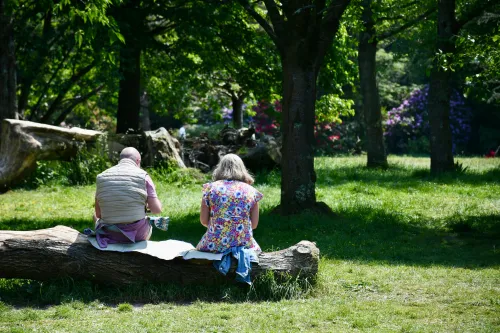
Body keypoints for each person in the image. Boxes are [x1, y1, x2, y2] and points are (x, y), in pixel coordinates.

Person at [93, 147, 162, 248]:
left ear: (120, 160)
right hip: (137, 235)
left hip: (109, 233)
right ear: (138, 161)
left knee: (94, 216)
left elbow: (99, 214)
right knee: (146, 220)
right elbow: (156, 210)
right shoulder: (144, 176)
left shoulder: (101, 177)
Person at [196, 154, 263, 254]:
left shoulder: (210, 189)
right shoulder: (251, 191)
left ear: (220, 169)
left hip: (213, 245)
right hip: (243, 245)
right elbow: (254, 225)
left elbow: (204, 220)